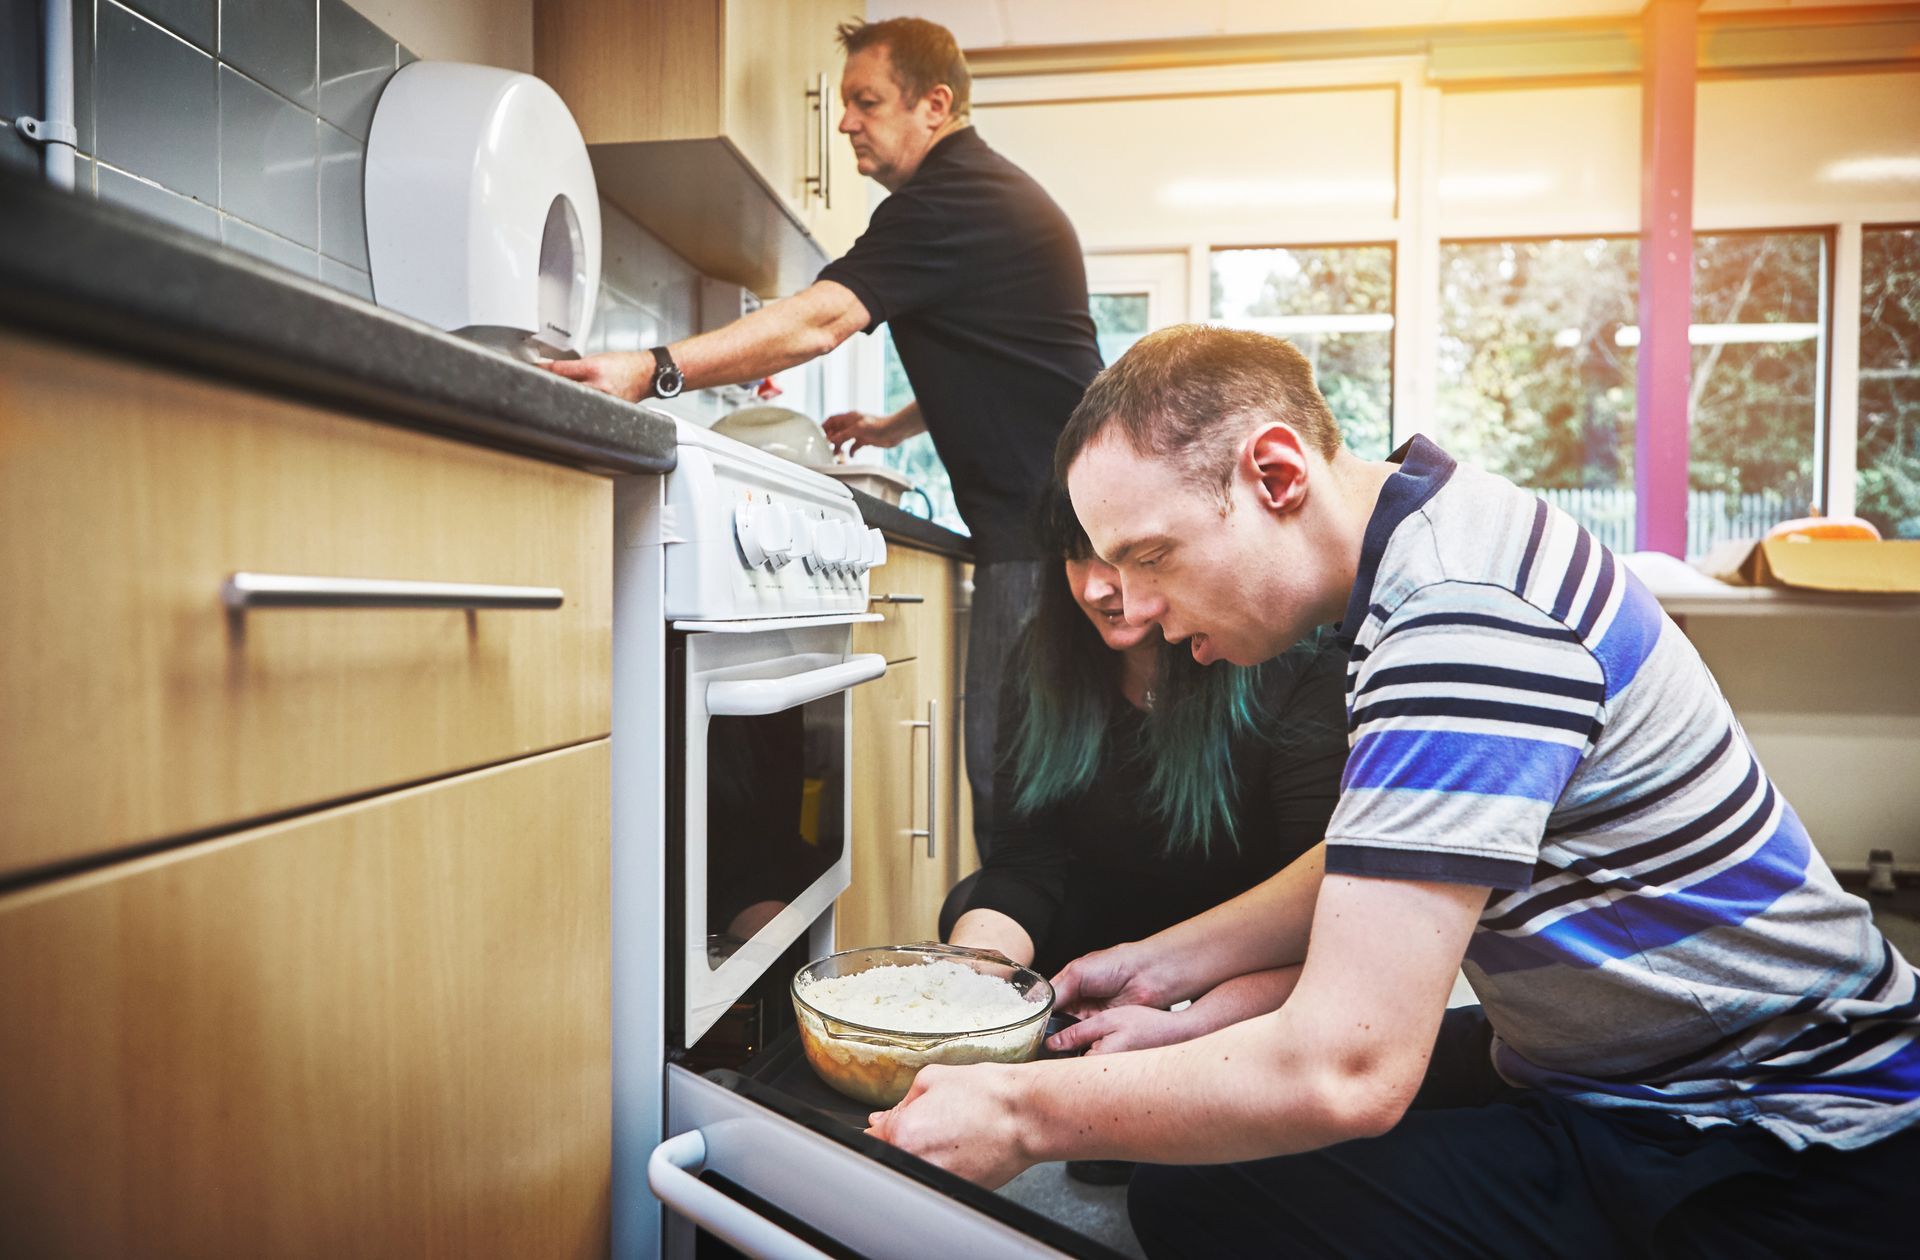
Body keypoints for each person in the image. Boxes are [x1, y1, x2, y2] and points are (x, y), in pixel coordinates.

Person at [867, 325, 1920, 1257]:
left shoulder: (1459, 624)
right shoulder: (1435, 545)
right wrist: (1164, 967)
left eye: (1153, 557)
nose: (1133, 605)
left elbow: (1346, 1071)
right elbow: (1393, 840)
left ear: (1277, 475)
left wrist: (1019, 1111)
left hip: (1775, 1129)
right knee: (1211, 1135)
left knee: (1214, 1202)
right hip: (1618, 1060)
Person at [543, 18, 1103, 855]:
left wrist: (652, 367)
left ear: (935, 105)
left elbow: (824, 318)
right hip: (1060, 523)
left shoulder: (948, 199)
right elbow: (1016, 351)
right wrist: (895, 423)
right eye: (842, 105)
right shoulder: (983, 194)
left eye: (866, 101)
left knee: (1011, 782)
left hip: (1043, 532)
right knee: (1037, 777)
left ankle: (1032, 977)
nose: (846, 123)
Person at [941, 482, 1348, 1028]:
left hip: (1241, 950)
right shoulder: (1041, 658)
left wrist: (1182, 1015)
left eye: (1118, 557)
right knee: (967, 912)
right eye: (1074, 557)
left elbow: (1318, 901)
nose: (1092, 589)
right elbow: (1023, 861)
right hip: (1092, 945)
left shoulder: (1289, 657)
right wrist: (959, 986)